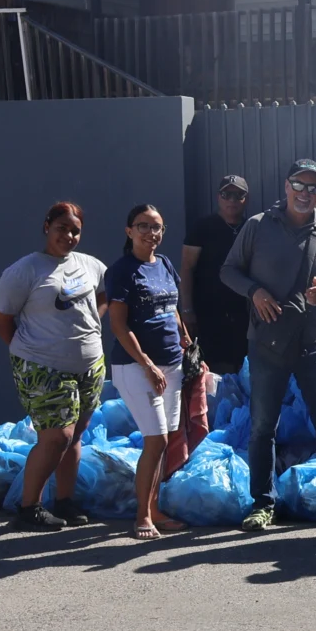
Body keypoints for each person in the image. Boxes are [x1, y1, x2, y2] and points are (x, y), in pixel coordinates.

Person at [222, 159, 316, 530]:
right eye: (298, 186)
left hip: (313, 343)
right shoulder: (257, 227)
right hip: (267, 343)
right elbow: (228, 271)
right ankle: (262, 504)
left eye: (312, 188)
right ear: (285, 187)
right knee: (262, 425)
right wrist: (254, 292)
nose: (304, 193)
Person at [0, 202, 109, 531]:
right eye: (61, 228)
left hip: (89, 365)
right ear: (47, 226)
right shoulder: (24, 270)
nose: (68, 236)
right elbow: (1, 318)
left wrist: (92, 324)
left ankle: (65, 501)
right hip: (42, 367)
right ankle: (30, 506)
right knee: (57, 437)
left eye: (75, 231)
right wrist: (24, 347)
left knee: (76, 435)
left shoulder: (91, 265)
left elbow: (104, 295)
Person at [106, 204, 192, 540]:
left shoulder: (166, 264)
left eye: (156, 227)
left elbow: (172, 308)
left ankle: (154, 508)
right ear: (129, 231)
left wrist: (184, 335)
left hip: (171, 364)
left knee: (164, 441)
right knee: (154, 440)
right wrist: (147, 364)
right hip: (136, 367)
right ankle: (142, 515)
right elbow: (117, 323)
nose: (150, 233)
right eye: (142, 226)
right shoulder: (123, 270)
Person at [180, 175, 252, 375]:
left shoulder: (252, 228)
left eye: (238, 195)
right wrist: (187, 309)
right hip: (207, 314)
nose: (232, 200)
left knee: (242, 368)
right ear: (218, 197)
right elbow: (187, 268)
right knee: (208, 372)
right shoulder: (202, 228)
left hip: (243, 314)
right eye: (226, 194)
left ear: (247, 199)